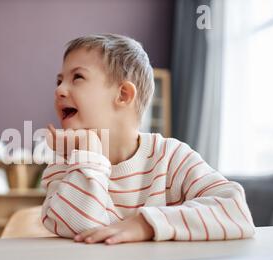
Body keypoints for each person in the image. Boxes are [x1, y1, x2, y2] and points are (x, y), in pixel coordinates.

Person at [41, 33, 255, 244]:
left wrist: (145, 225)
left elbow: (236, 211)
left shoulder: (171, 157)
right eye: (59, 81)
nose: (59, 89)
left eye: (77, 77)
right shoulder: (67, 163)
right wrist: (89, 151)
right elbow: (81, 228)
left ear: (123, 95)